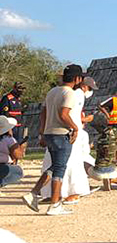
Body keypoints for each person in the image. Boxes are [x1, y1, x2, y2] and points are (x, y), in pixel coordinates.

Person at [22, 64, 84, 215]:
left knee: (55, 166)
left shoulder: (52, 92)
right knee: (60, 169)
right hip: (61, 134)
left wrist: (42, 132)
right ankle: (55, 204)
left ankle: (34, 193)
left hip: (49, 133)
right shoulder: (70, 93)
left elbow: (43, 113)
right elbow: (64, 114)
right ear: (77, 79)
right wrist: (75, 128)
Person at [0, 115, 26, 189]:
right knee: (18, 171)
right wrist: (22, 147)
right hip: (2, 166)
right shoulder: (8, 139)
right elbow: (18, 155)